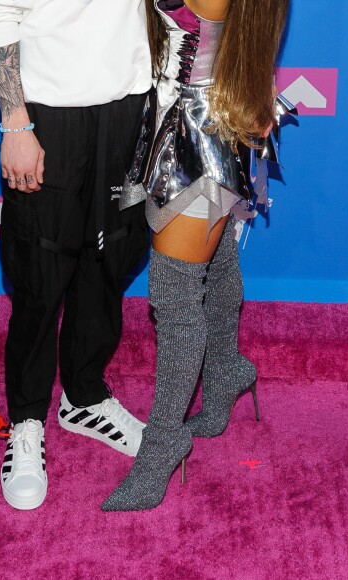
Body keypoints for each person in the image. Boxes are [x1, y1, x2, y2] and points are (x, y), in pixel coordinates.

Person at [102, 0, 290, 511]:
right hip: (202, 119)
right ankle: (227, 367)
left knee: (176, 298)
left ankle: (163, 445)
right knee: (219, 261)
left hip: (196, 138)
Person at [0, 0, 153, 510]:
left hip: (131, 103)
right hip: (47, 111)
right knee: (38, 271)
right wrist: (15, 124)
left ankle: (84, 397)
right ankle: (26, 419)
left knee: (110, 256)